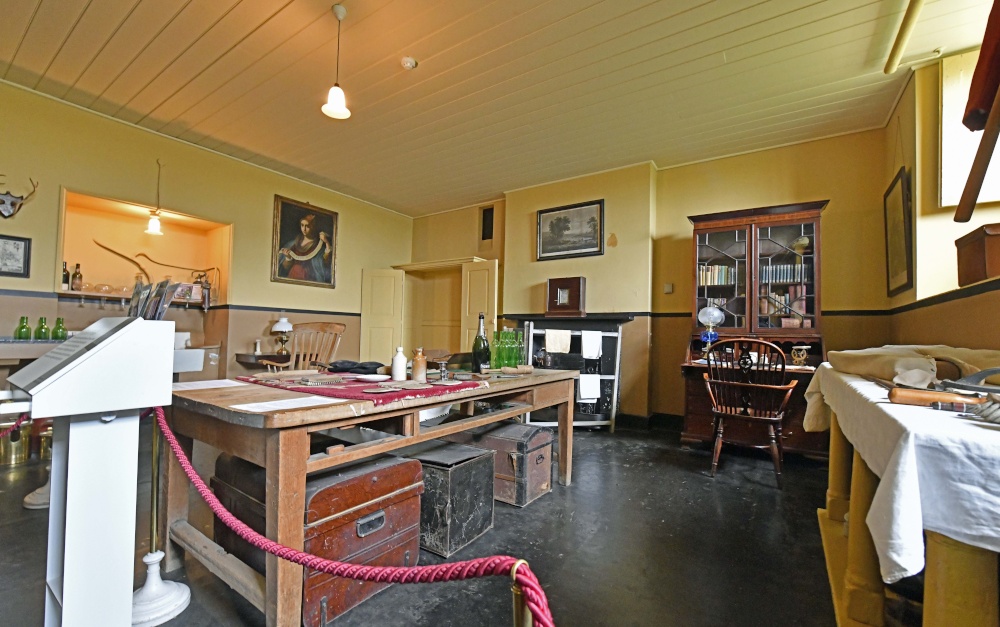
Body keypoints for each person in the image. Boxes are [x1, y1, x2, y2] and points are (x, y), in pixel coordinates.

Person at [276, 213, 332, 283]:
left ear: (313, 227)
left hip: (310, 280)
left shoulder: (318, 246)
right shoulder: (292, 244)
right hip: (292, 277)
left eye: (307, 226)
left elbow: (325, 263)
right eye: (302, 225)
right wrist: (288, 258)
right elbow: (283, 269)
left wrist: (326, 242)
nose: (304, 229)